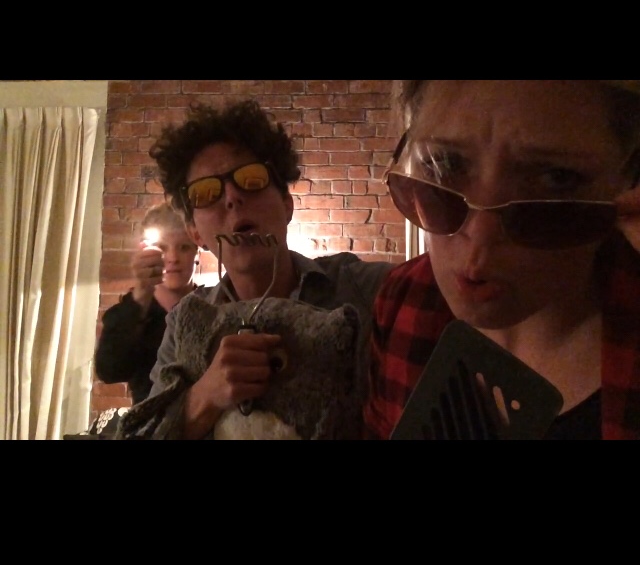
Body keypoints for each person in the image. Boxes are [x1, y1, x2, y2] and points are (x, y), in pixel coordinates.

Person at [363, 80, 640, 442]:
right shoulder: (404, 300)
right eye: (444, 163)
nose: (479, 239)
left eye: (555, 178)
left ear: (629, 180)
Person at [114, 99, 394, 440]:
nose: (232, 197)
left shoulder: (366, 290)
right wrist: (204, 397)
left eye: (251, 179)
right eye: (206, 192)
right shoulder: (186, 323)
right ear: (196, 233)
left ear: (286, 205)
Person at [94, 202, 200, 408]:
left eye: (184, 247)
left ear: (196, 251)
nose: (173, 258)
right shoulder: (130, 312)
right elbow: (109, 370)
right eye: (162, 248)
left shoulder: (213, 305)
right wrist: (142, 293)